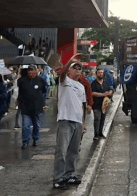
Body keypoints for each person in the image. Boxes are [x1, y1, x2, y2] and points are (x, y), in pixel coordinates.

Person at [53, 56, 87, 190]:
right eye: (75, 67)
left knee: (73, 151)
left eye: (80, 68)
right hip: (65, 120)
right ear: (69, 71)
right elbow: (61, 73)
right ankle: (58, 178)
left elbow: (82, 105)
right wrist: (71, 60)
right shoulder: (64, 81)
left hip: (77, 121)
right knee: (61, 150)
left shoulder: (81, 86)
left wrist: (83, 122)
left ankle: (69, 174)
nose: (78, 70)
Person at [17, 66, 47, 148]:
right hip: (25, 108)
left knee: (36, 125)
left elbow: (44, 91)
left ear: (36, 71)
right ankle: (25, 141)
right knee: (26, 126)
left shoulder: (41, 80)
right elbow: (20, 93)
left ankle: (35, 139)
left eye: (32, 70)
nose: (30, 72)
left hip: (37, 108)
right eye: (29, 70)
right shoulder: (22, 81)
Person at [90, 69, 113, 139]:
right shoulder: (93, 83)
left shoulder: (105, 83)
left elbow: (110, 89)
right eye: (99, 73)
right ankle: (96, 134)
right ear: (96, 74)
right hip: (96, 104)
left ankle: (100, 133)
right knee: (97, 119)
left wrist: (110, 92)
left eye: (102, 73)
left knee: (102, 119)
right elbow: (92, 93)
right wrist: (103, 94)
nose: (101, 74)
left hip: (104, 105)